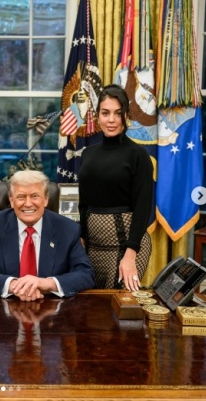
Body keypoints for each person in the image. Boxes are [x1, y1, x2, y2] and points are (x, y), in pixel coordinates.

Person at [0, 170, 94, 300]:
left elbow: (85, 274)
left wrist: (47, 283)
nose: (28, 204)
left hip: (51, 305)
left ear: (46, 199)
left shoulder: (67, 229)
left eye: (34, 196)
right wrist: (13, 285)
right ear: (11, 200)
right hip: (3, 304)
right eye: (21, 197)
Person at [78, 84, 154, 291]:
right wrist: (81, 240)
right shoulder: (87, 154)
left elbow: (143, 207)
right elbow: (83, 204)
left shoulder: (138, 155)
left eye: (118, 113)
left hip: (128, 247)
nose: (111, 120)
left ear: (126, 116)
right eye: (105, 113)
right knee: (88, 305)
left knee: (117, 304)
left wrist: (130, 254)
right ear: (97, 116)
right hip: (91, 247)